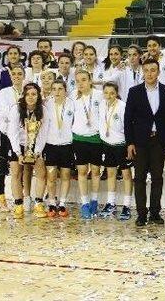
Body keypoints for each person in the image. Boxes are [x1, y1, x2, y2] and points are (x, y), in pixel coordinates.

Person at [125, 58, 165, 226]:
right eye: (146, 70)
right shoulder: (134, 92)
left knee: (157, 178)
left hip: (159, 141)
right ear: (142, 72)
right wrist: (130, 143)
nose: (149, 73)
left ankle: (155, 213)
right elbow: (128, 119)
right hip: (140, 142)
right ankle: (141, 214)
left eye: (153, 70)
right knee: (139, 178)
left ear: (158, 72)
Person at [6, 83, 50, 218]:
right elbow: (12, 133)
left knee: (41, 174)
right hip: (18, 144)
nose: (30, 97)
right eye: (28, 94)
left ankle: (38, 204)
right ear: (23, 96)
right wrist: (18, 153)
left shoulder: (43, 110)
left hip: (36, 144)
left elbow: (44, 133)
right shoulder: (16, 109)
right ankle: (18, 205)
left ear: (38, 95)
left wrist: (37, 152)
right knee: (16, 173)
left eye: (34, 94)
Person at [71, 70, 104, 220]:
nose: (81, 83)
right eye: (78, 81)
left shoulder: (99, 95)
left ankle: (94, 201)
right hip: (79, 138)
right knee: (82, 171)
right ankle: (84, 203)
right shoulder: (73, 96)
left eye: (84, 80)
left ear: (90, 80)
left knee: (96, 171)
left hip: (96, 138)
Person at [99, 82, 133, 221]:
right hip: (108, 144)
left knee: (126, 175)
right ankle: (111, 203)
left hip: (121, 144)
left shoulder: (122, 106)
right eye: (106, 92)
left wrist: (129, 144)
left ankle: (126, 205)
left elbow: (128, 126)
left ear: (116, 93)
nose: (109, 95)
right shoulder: (102, 105)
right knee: (111, 173)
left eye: (112, 93)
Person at [0, 65, 25, 212]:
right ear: (11, 77)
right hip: (5, 133)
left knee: (20, 167)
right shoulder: (4, 92)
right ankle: (0, 196)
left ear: (24, 76)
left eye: (20, 74)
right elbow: (2, 112)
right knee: (2, 166)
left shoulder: (27, 91)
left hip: (21, 135)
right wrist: (19, 110)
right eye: (14, 74)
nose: (17, 76)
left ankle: (20, 198)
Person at [43, 80, 74, 218]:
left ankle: (62, 203)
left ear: (65, 90)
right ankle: (51, 202)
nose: (57, 92)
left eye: (60, 89)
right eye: (54, 89)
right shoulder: (46, 104)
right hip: (51, 145)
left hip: (67, 144)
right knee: (51, 176)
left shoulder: (72, 103)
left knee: (66, 175)